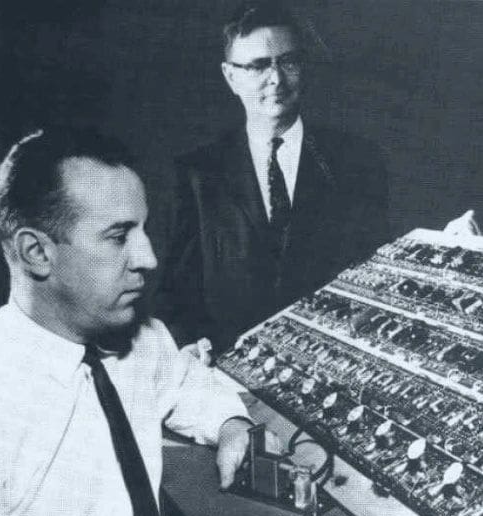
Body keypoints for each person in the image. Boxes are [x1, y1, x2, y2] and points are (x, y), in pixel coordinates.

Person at [0, 127, 275, 516]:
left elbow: (186, 381)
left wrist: (231, 425)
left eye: (143, 230)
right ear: (37, 253)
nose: (147, 258)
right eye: (118, 236)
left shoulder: (138, 339)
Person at [157, 0, 390, 352]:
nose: (276, 79)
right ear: (230, 76)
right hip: (227, 375)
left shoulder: (359, 161)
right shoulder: (196, 174)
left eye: (289, 61)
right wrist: (191, 344)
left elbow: (379, 276)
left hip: (334, 368)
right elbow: (174, 294)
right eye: (257, 66)